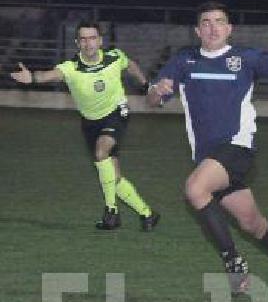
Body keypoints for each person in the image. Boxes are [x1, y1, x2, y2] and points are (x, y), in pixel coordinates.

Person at [147, 1, 268, 296]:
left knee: (195, 189)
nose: (213, 27)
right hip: (208, 158)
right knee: (252, 223)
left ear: (229, 29)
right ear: (197, 30)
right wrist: (156, 91)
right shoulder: (184, 60)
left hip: (238, 148)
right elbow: (154, 98)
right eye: (206, 22)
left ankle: (233, 263)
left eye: (219, 22)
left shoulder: (246, 58)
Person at [10, 21, 159, 231]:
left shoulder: (114, 57)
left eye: (92, 38)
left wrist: (146, 85)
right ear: (77, 43)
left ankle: (111, 212)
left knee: (101, 151)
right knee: (113, 177)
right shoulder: (71, 68)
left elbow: (131, 65)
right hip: (90, 122)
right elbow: (46, 75)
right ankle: (147, 214)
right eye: (83, 39)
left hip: (116, 113)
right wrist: (31, 77)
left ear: (100, 40)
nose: (88, 43)